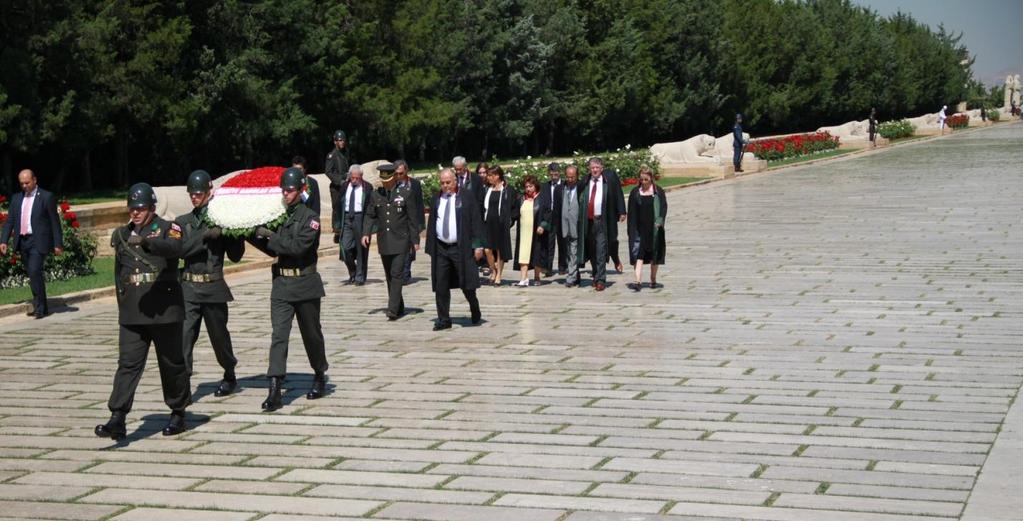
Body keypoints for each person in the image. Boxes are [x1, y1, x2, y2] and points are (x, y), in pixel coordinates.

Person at [95, 183, 190, 440]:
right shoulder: (123, 234)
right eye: (132, 208)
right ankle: (118, 417)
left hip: (164, 309)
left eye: (140, 208)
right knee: (127, 364)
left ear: (151, 208)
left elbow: (175, 250)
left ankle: (178, 411)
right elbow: (119, 275)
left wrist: (149, 243)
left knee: (171, 363)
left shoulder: (169, 228)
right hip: (133, 312)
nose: (135, 213)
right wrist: (122, 304)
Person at [247, 167, 328, 411]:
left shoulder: (310, 218)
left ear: (302, 190)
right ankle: (275, 388)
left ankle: (318, 373)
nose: (286, 194)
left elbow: (297, 248)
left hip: (305, 284)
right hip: (282, 285)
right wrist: (252, 234)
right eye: (283, 189)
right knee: (278, 336)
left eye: (290, 190)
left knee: (311, 335)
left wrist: (270, 236)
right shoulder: (278, 214)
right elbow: (274, 250)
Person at [175, 170, 245, 397]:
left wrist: (233, 230)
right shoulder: (183, 222)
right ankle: (183, 383)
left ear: (209, 192)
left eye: (199, 193)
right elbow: (182, 251)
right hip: (188, 288)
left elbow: (236, 256)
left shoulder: (220, 219)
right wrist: (205, 235)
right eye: (192, 194)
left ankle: (229, 372)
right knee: (184, 337)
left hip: (213, 287)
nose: (194, 197)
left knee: (219, 336)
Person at [425, 169, 485, 330]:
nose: (445, 186)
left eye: (448, 182)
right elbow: (432, 221)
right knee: (441, 284)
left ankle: (474, 307)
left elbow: (475, 221)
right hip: (441, 248)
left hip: (461, 247)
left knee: (466, 283)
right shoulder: (437, 198)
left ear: (455, 181)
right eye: (443, 183)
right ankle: (444, 319)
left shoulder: (466, 196)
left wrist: (478, 245)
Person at [0, 169, 63, 318]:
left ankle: (40, 308)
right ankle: (41, 304)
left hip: (38, 240)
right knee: (32, 274)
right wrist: (3, 241)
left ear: (35, 180)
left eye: (27, 182)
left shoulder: (46, 197)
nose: (24, 186)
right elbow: (10, 221)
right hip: (22, 241)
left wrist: (58, 243)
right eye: (22, 183)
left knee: (35, 271)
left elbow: (55, 222)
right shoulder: (16, 198)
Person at [362, 162, 421, 320]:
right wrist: (366, 233)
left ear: (395, 177)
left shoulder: (405, 193)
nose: (385, 184)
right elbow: (370, 215)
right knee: (389, 275)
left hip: (401, 240)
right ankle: (399, 305)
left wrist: (415, 240)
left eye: (388, 181)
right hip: (385, 241)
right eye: (383, 181)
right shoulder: (376, 195)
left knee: (397, 274)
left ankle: (392, 310)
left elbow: (412, 219)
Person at [578, 157, 626, 291]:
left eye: (597, 167)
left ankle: (601, 280)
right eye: (592, 168)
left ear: (601, 168)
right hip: (589, 221)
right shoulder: (585, 181)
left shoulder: (608, 180)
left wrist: (622, 211)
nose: (594, 170)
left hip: (603, 220)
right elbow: (576, 193)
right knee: (592, 249)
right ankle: (595, 274)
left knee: (601, 249)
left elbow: (618, 193)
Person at [626, 166, 667, 291]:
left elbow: (664, 208)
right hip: (639, 229)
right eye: (642, 179)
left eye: (646, 179)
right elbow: (631, 212)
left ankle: (653, 278)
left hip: (654, 228)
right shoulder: (635, 192)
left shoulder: (658, 192)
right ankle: (637, 281)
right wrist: (630, 229)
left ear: (651, 179)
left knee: (654, 254)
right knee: (638, 253)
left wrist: (660, 220)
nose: (643, 182)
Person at [333, 164, 372, 286]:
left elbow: (371, 208)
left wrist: (368, 228)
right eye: (352, 178)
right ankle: (353, 270)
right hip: (346, 218)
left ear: (361, 177)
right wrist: (336, 224)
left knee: (361, 249)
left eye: (357, 178)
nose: (354, 180)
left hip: (360, 218)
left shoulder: (367, 187)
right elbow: (338, 205)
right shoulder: (345, 186)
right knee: (344, 247)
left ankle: (360, 277)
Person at [482, 166, 518, 286]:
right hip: (488, 223)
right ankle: (494, 269)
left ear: (497, 176)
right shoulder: (488, 189)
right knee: (487, 249)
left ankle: (499, 275)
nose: (488, 178)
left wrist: (510, 221)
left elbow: (514, 207)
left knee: (499, 250)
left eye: (490, 176)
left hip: (501, 223)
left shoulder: (508, 190)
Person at [514, 175, 551, 286]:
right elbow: (516, 213)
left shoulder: (542, 198)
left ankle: (536, 276)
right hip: (524, 231)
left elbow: (548, 214)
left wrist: (543, 225)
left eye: (530, 186)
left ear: (535, 186)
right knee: (523, 254)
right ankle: (523, 278)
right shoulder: (521, 198)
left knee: (537, 254)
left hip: (536, 231)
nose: (528, 189)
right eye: (526, 187)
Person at [394, 160, 424, 285]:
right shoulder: (392, 184)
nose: (398, 176)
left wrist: (420, 224)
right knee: (401, 250)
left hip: (411, 222)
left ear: (406, 171)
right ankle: (403, 273)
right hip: (397, 222)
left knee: (409, 250)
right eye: (396, 174)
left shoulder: (414, 184)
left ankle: (405, 274)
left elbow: (419, 205)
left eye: (401, 173)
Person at [555, 165, 583, 287]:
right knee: (567, 252)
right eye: (568, 177)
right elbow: (556, 208)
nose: (570, 179)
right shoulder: (560, 189)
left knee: (574, 250)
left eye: (573, 177)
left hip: (576, 224)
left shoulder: (581, 187)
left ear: (577, 176)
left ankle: (571, 277)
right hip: (563, 225)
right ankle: (575, 274)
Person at [541, 162, 566, 275]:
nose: (554, 177)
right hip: (549, 216)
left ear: (559, 173)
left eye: (556, 174)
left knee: (562, 242)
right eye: (551, 174)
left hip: (561, 216)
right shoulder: (545, 186)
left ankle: (562, 267)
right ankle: (548, 268)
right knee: (548, 243)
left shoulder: (565, 185)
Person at [324, 129, 350, 216]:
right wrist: (339, 181)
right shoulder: (332, 155)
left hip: (345, 185)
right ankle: (336, 228)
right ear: (335, 142)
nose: (342, 142)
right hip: (336, 188)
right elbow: (328, 172)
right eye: (340, 140)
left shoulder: (345, 153)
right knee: (337, 209)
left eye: (343, 140)